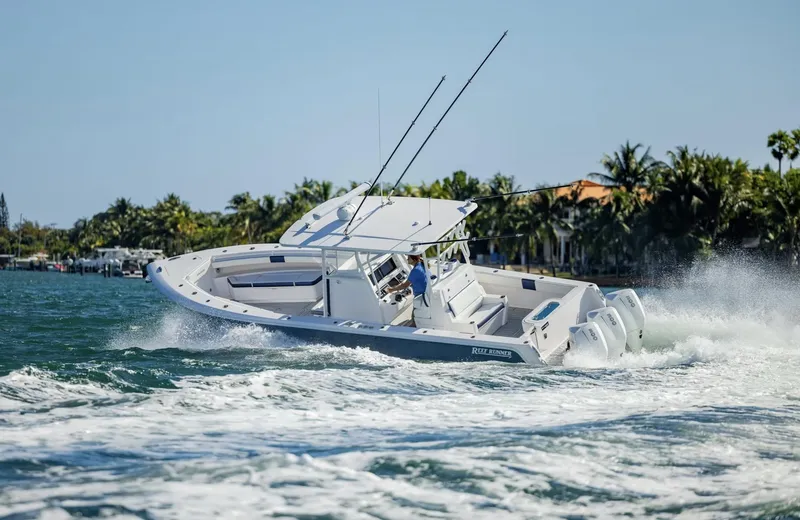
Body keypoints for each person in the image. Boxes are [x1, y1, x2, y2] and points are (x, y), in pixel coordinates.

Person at [385, 254, 428, 326]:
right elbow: (419, 280)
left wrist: (391, 290)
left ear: (413, 260)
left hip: (421, 297)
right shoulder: (421, 265)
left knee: (414, 317)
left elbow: (405, 285)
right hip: (425, 293)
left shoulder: (415, 270)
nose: (407, 259)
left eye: (409, 258)